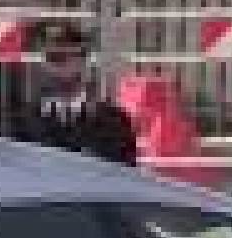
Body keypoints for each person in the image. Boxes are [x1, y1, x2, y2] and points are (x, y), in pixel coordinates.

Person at [11, 20, 138, 165]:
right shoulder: (25, 121)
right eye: (50, 58)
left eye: (62, 58)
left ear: (84, 61)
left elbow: (124, 176)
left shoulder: (112, 121)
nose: (55, 67)